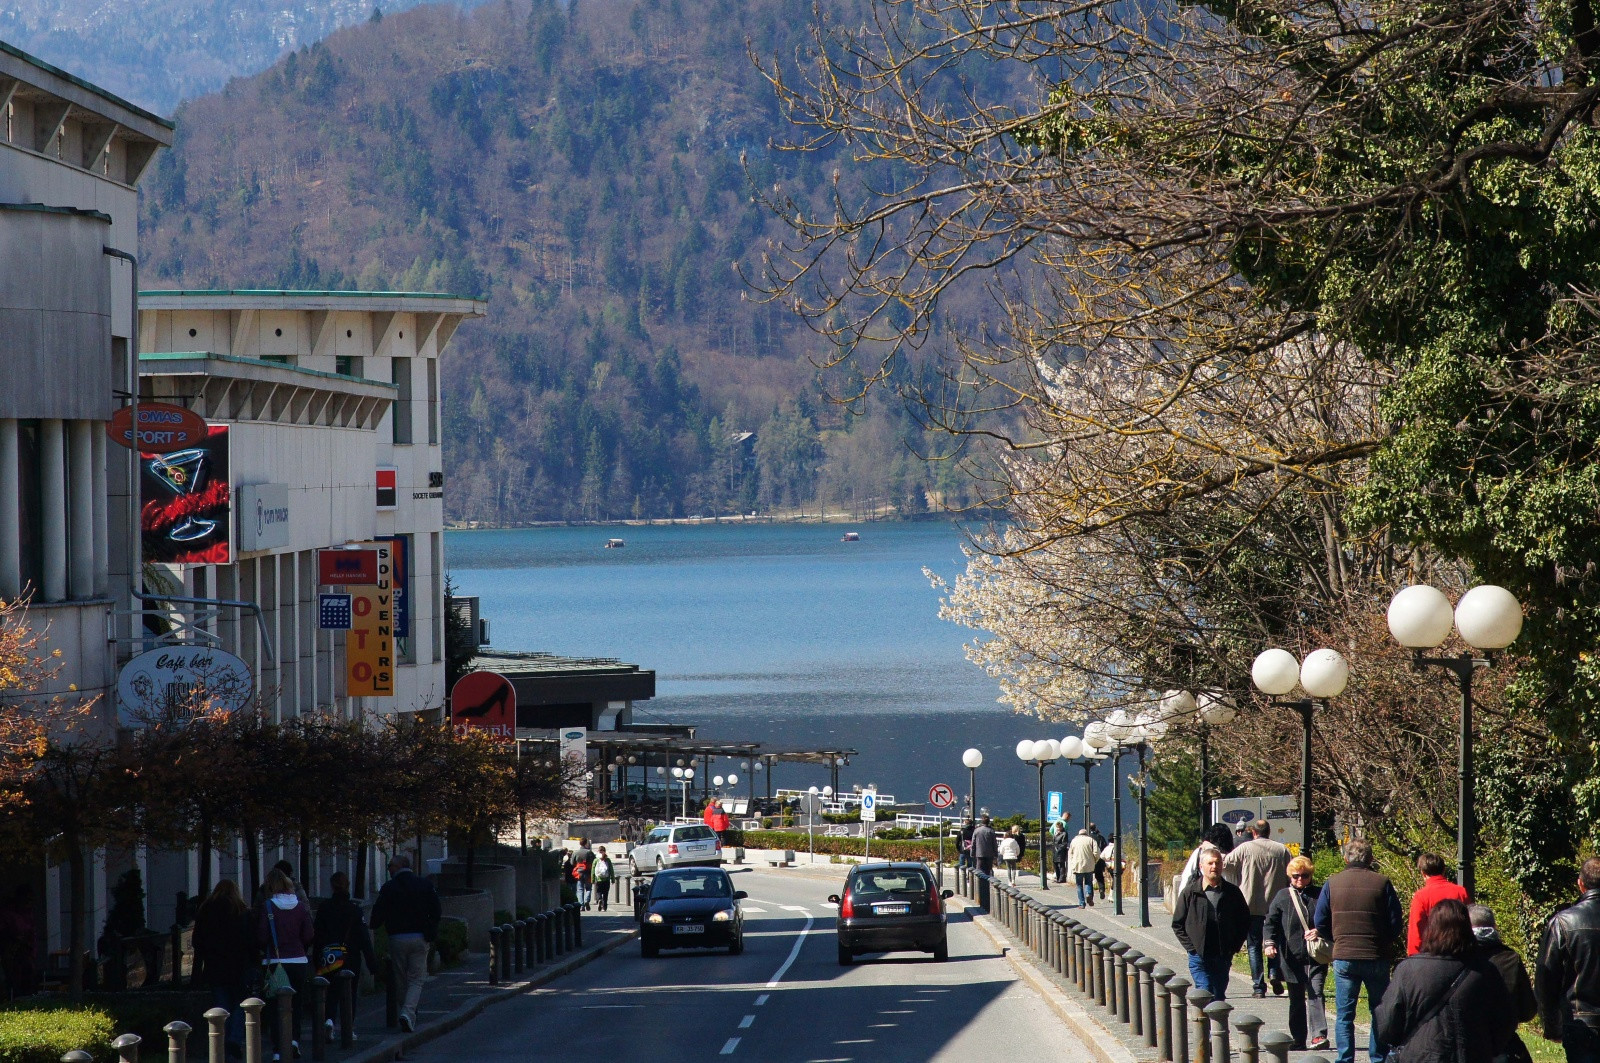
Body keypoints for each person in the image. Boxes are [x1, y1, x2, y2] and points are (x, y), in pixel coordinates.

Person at [1374, 899, 1515, 1063]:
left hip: (1420, 1055)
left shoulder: (1408, 970)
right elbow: (1506, 1020)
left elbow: (1386, 1025)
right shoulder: (1485, 971)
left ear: (1431, 929)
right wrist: (1486, 1047)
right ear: (1467, 930)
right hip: (1471, 1054)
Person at [1314, 838, 1406, 1063]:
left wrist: (1335, 939)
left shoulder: (1332, 883)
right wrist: (1383, 941)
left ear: (1345, 858)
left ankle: (1345, 1059)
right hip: (1375, 954)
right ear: (1371, 859)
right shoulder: (1382, 882)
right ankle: (1378, 1058)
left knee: (1345, 1015)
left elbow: (1320, 919)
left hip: (1344, 955)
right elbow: (1396, 922)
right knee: (1378, 1011)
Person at [1537, 855, 1600, 1063]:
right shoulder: (1563, 923)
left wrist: (1551, 1025)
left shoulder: (1563, 922)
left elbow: (1546, 978)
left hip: (1580, 1021)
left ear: (1580, 884)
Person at [369, 854, 441, 1034]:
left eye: (390, 866)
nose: (388, 869)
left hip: (397, 938)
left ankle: (406, 1012)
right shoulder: (424, 885)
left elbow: (378, 914)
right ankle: (408, 1013)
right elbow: (436, 910)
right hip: (419, 937)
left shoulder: (389, 887)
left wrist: (375, 925)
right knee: (417, 979)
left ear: (400, 866)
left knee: (400, 978)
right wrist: (430, 931)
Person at [1266, 855, 1331, 1050]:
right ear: (1289, 876)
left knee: (1316, 993)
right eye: (1295, 876)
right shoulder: (1282, 896)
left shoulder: (1320, 895)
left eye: (1304, 876)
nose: (1300, 880)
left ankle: (1319, 1036)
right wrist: (1269, 943)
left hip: (1316, 954)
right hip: (1291, 955)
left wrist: (1319, 930)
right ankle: (1298, 1038)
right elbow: (1271, 922)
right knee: (1295, 998)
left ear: (1311, 875)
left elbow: (1331, 919)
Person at [1226, 819, 1292, 997]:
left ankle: (1258, 986)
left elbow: (1226, 864)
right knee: (1275, 942)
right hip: (1275, 905)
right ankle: (1274, 973)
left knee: (1254, 945)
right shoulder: (1282, 850)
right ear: (1269, 832)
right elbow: (1291, 875)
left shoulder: (1245, 848)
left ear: (1254, 832)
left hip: (1251, 905)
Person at [1172, 847, 1250, 998]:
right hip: (1199, 955)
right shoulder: (1190, 892)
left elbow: (1244, 921)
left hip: (1222, 954)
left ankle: (1214, 1022)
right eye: (1210, 863)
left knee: (1219, 994)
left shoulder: (1232, 892)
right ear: (1201, 866)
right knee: (1205, 990)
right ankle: (1203, 1021)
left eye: (1218, 863)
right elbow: (1177, 923)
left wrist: (1234, 946)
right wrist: (1191, 947)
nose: (1214, 867)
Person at [193, 880, 255, 1059]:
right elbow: (251, 941)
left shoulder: (206, 910)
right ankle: (233, 1039)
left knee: (221, 1006)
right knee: (241, 1005)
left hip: (215, 967)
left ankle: (223, 1042)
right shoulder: (241, 911)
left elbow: (197, 941)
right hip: (239, 967)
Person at [256, 868, 314, 1060]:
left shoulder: (268, 907)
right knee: (295, 1004)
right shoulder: (300, 907)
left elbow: (262, 936)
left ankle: (278, 1050)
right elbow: (308, 935)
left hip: (275, 962)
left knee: (274, 1007)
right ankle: (294, 1040)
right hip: (298, 961)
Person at [313, 872, 377, 1041]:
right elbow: (364, 937)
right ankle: (348, 1028)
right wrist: (372, 963)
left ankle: (329, 1020)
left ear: (332, 886)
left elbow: (317, 935)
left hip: (329, 956)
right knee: (350, 992)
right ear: (347, 885)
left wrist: (316, 959)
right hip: (350, 956)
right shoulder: (354, 910)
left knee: (331, 990)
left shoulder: (324, 908)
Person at [1470, 904, 1537, 1063]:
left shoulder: (1459, 959)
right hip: (1503, 1042)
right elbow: (1527, 1010)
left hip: (1468, 1042)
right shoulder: (1510, 959)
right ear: (1494, 926)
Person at [1407, 853, 1469, 956]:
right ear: (1443, 870)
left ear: (1423, 873)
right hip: (1460, 952)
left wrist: (1414, 958)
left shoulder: (1421, 896)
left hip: (1432, 953)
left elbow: (1416, 931)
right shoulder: (1460, 892)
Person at [1178, 824, 1237, 896]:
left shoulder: (1199, 853)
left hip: (1200, 896)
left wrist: (1182, 899)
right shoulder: (1233, 857)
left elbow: (1186, 877)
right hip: (1227, 897)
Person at [1069, 828, 1100, 907]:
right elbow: (1096, 853)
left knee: (1079, 885)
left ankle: (1081, 903)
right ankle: (1088, 893)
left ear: (1079, 834)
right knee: (1088, 882)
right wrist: (1095, 861)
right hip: (1089, 864)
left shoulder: (1074, 840)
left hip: (1077, 865)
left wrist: (1072, 863)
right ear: (1086, 834)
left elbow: (1070, 853)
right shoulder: (1091, 840)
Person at [572, 837, 596, 910]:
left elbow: (572, 862)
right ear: (586, 843)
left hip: (579, 872)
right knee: (588, 888)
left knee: (580, 889)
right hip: (588, 872)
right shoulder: (589, 852)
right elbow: (594, 861)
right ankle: (586, 900)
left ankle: (581, 905)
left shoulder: (575, 853)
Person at [592, 847, 615, 912]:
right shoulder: (607, 860)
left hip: (598, 879)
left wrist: (593, 879)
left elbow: (593, 870)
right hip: (606, 880)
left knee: (598, 891)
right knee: (605, 893)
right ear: (605, 851)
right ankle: (604, 907)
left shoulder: (596, 860)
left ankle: (599, 899)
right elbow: (611, 870)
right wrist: (612, 879)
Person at [1089, 822, 1109, 896]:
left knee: (1089, 877)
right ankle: (1101, 889)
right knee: (1099, 876)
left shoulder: (1088, 838)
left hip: (1090, 859)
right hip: (1099, 859)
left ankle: (1090, 892)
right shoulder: (1100, 837)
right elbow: (1104, 848)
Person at [1051, 820, 1071, 885]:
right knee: (1055, 865)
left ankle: (1062, 878)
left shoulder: (1064, 833)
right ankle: (1058, 877)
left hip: (1060, 852)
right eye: (1057, 827)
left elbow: (1064, 843)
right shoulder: (1056, 833)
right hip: (1055, 851)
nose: (1058, 829)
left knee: (1061, 865)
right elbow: (1054, 842)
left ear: (1062, 827)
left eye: (1059, 827)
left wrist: (1058, 849)